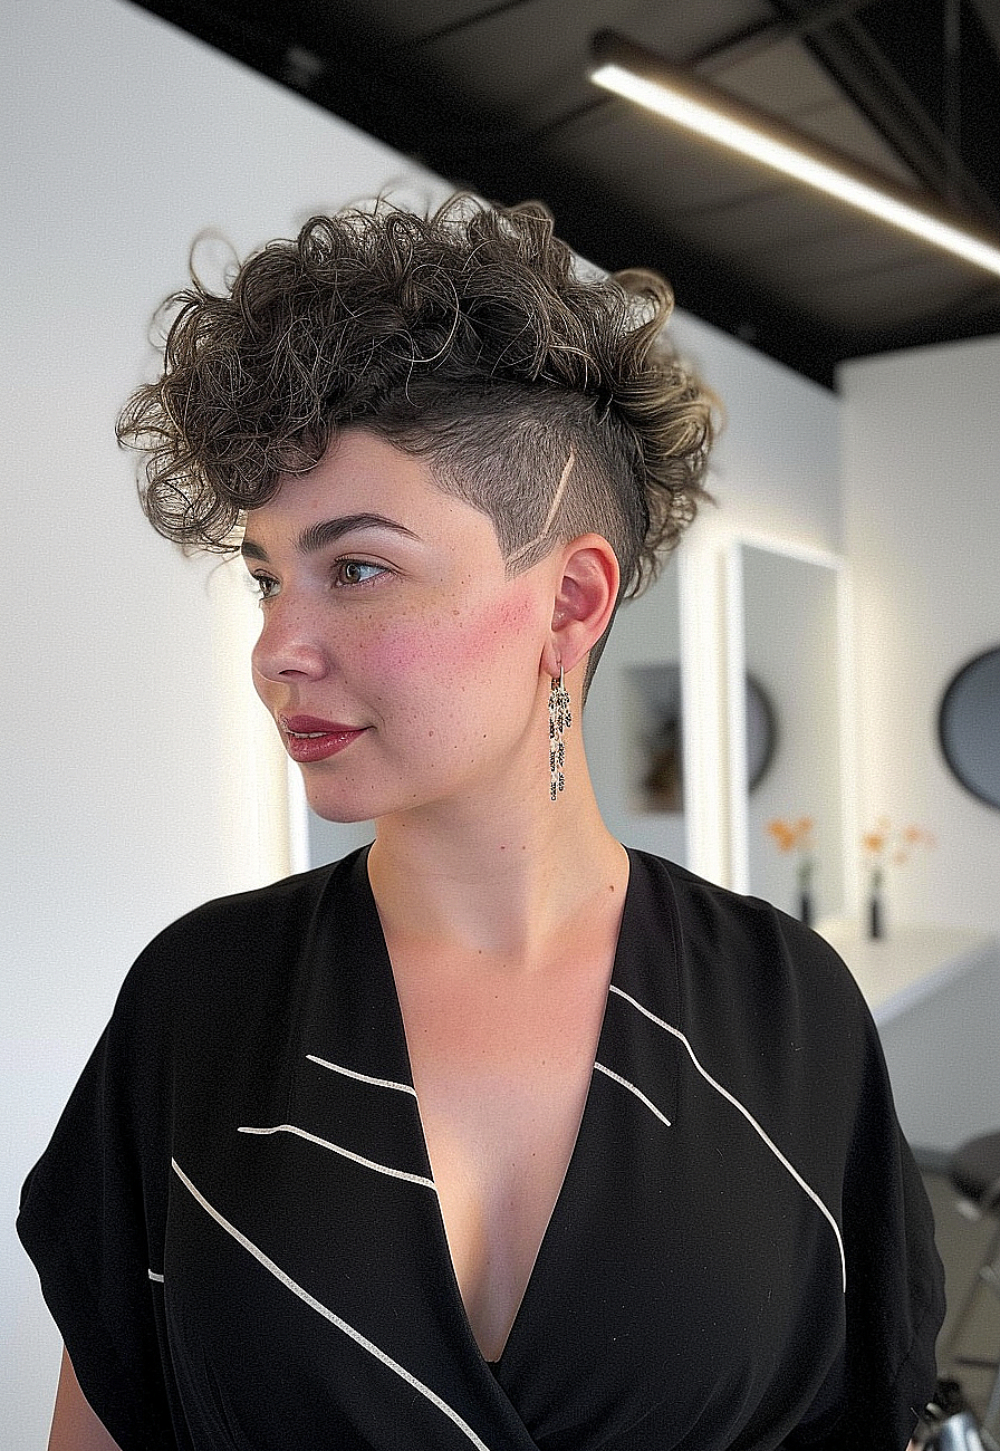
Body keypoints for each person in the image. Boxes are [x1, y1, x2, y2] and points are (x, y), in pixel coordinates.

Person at [19, 196, 944, 1451]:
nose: (276, 650)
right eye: (264, 576)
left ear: (569, 601)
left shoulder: (791, 1014)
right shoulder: (200, 1002)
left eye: (356, 568)